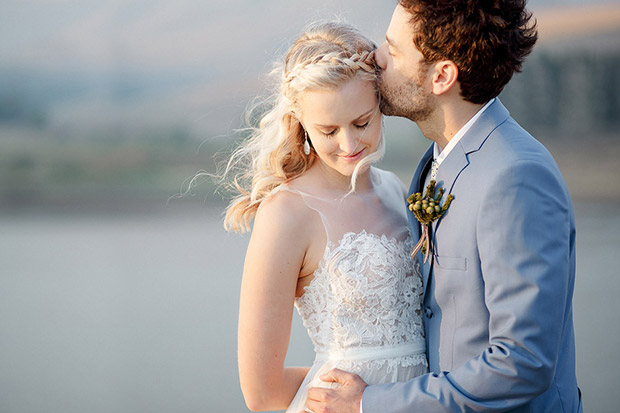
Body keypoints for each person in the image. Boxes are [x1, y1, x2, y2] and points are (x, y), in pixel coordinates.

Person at [306, 1, 583, 412]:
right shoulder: (439, 159)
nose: (375, 59)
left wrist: (371, 403)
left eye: (392, 50)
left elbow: (523, 362)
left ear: (441, 76)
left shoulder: (516, 176)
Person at [221, 22, 428, 412]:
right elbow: (262, 394)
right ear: (300, 121)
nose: (349, 144)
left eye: (362, 122)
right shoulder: (287, 213)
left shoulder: (396, 189)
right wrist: (344, 382)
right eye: (328, 130)